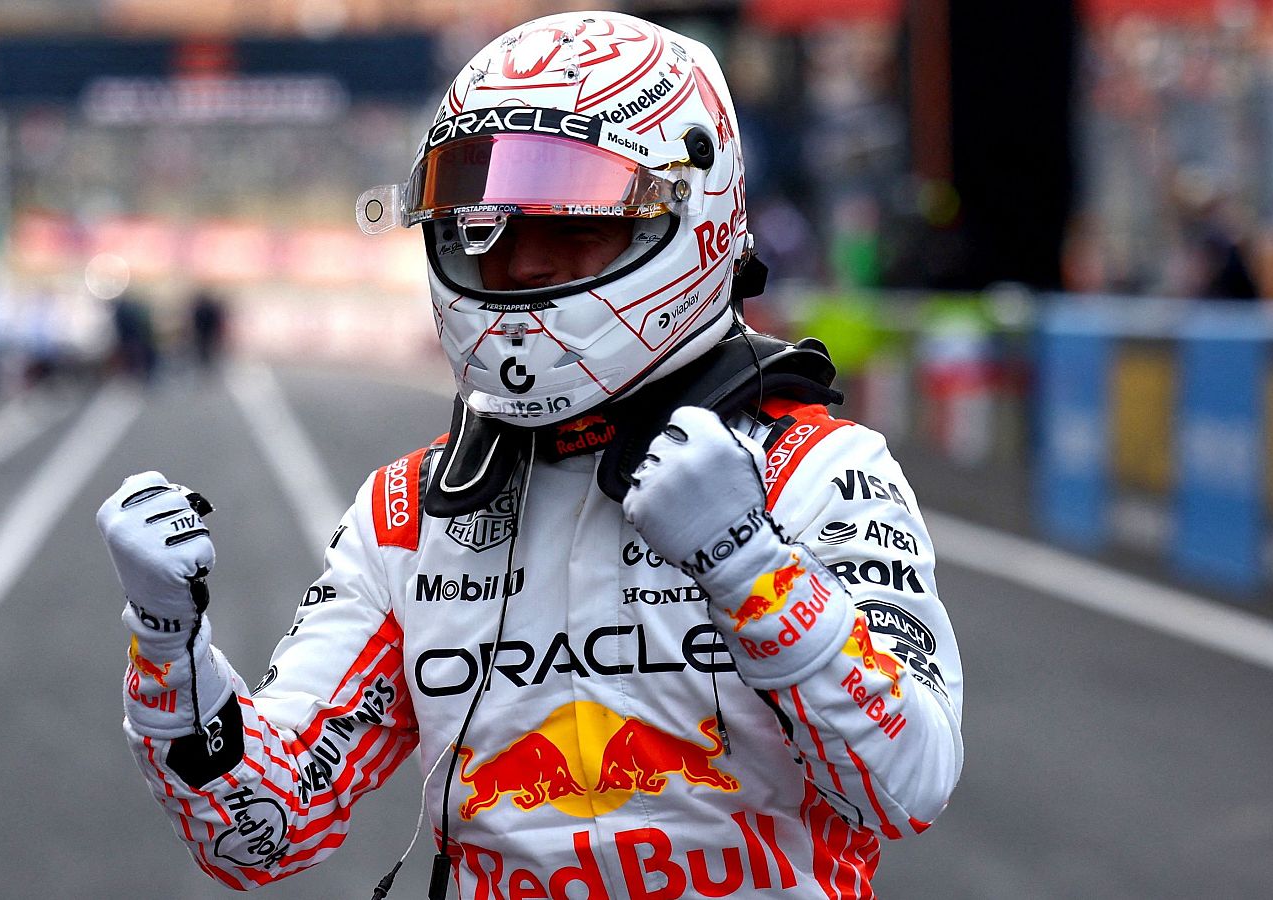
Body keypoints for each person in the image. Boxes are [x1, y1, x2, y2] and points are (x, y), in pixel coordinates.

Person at [97, 12, 963, 899]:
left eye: (571, 228)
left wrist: (747, 564)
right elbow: (264, 832)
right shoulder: (409, 513)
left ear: (696, 215)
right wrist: (168, 643)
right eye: (489, 233)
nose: (517, 269)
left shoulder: (817, 473)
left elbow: (909, 783)